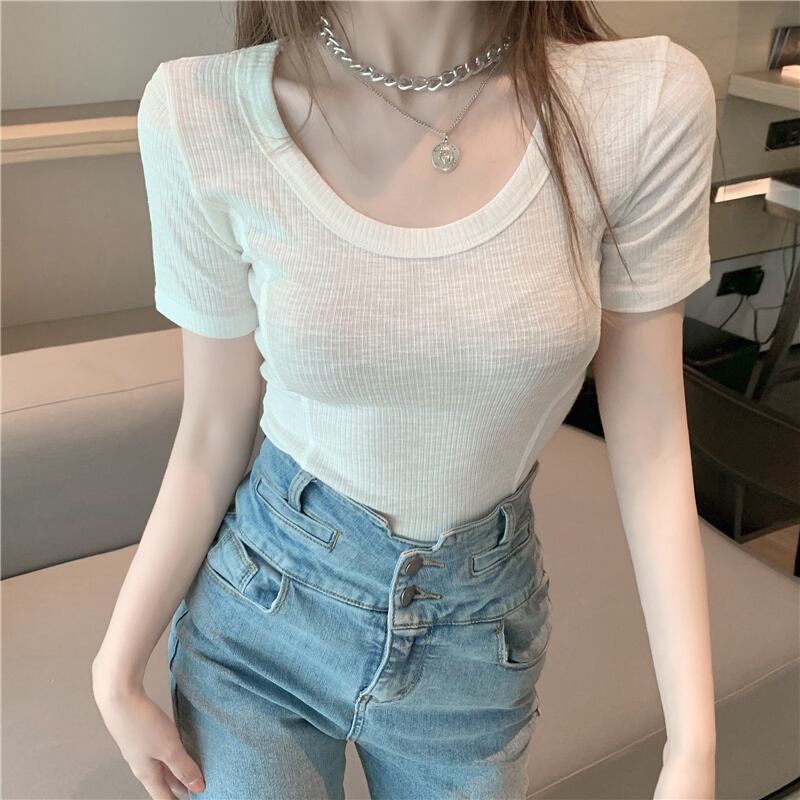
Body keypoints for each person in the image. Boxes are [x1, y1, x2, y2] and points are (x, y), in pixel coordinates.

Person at [92, 2, 718, 798]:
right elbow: (214, 426)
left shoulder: (644, 105)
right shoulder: (200, 113)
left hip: (476, 635)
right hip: (263, 614)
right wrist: (116, 668)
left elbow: (653, 438)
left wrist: (692, 745)